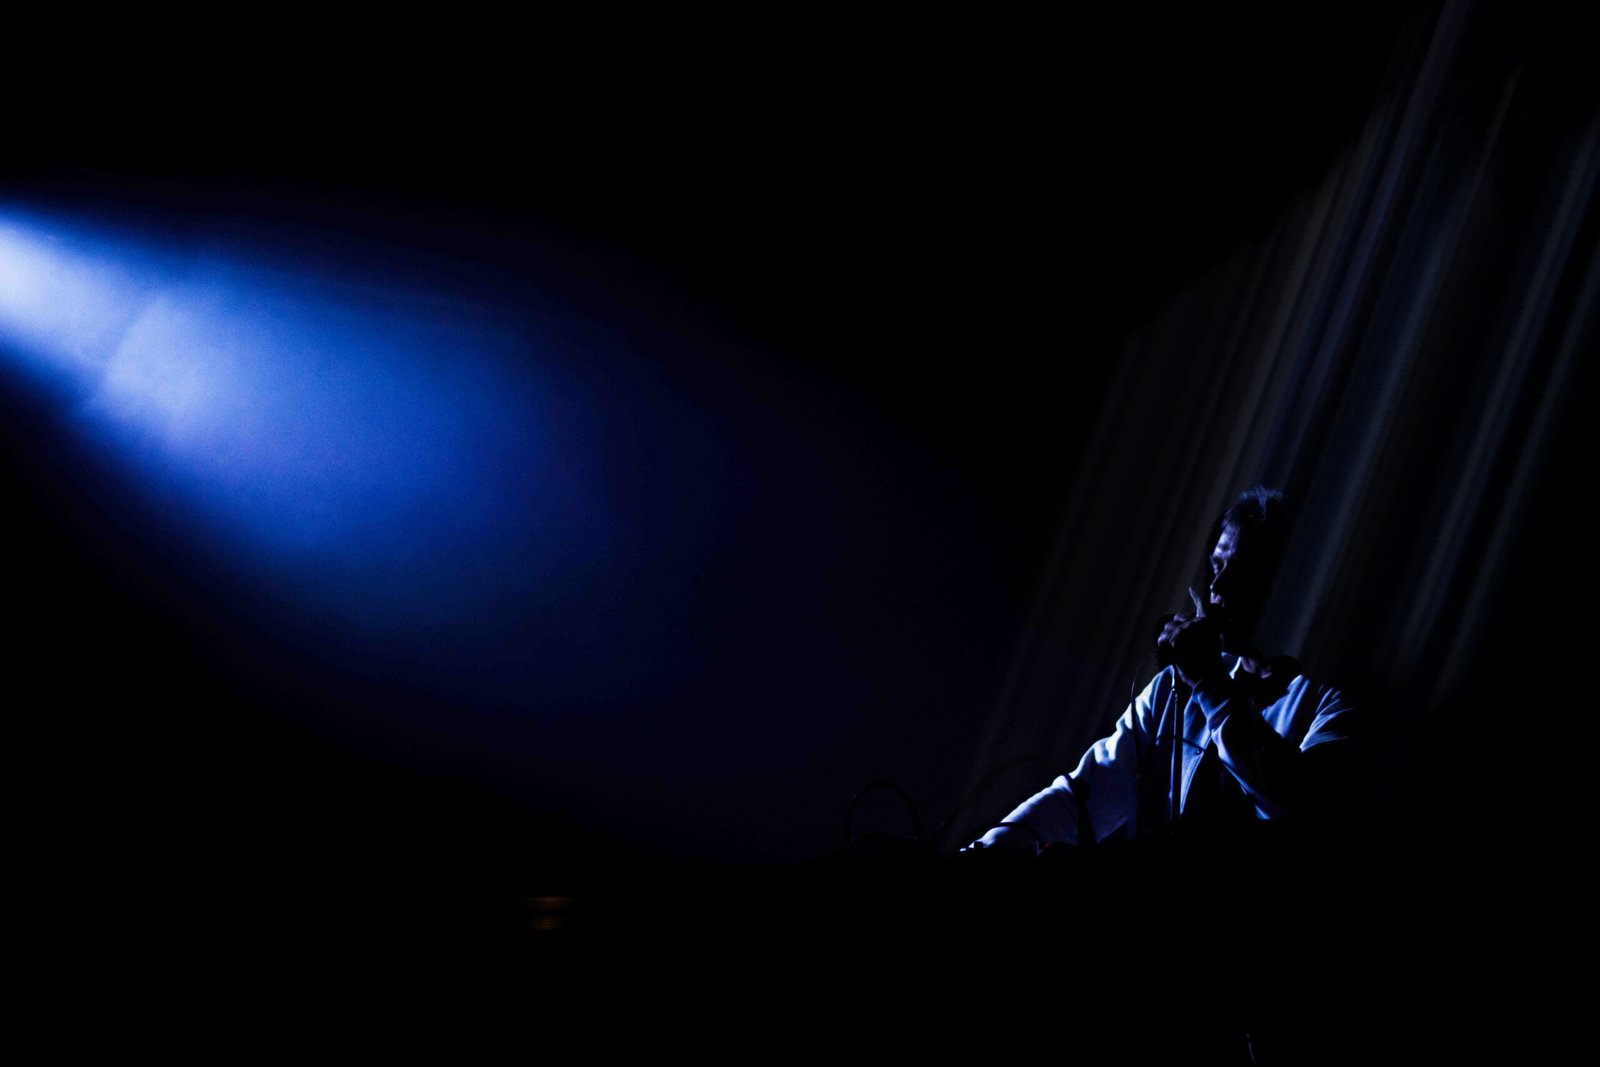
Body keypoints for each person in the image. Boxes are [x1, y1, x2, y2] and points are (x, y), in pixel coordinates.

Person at [964, 486, 1355, 854]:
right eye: (1216, 565)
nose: (1218, 586)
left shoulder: (1325, 707)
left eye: (1240, 572)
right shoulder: (1171, 687)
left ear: (1279, 584)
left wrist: (1211, 685)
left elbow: (1304, 810)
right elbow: (1083, 797)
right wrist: (987, 850)